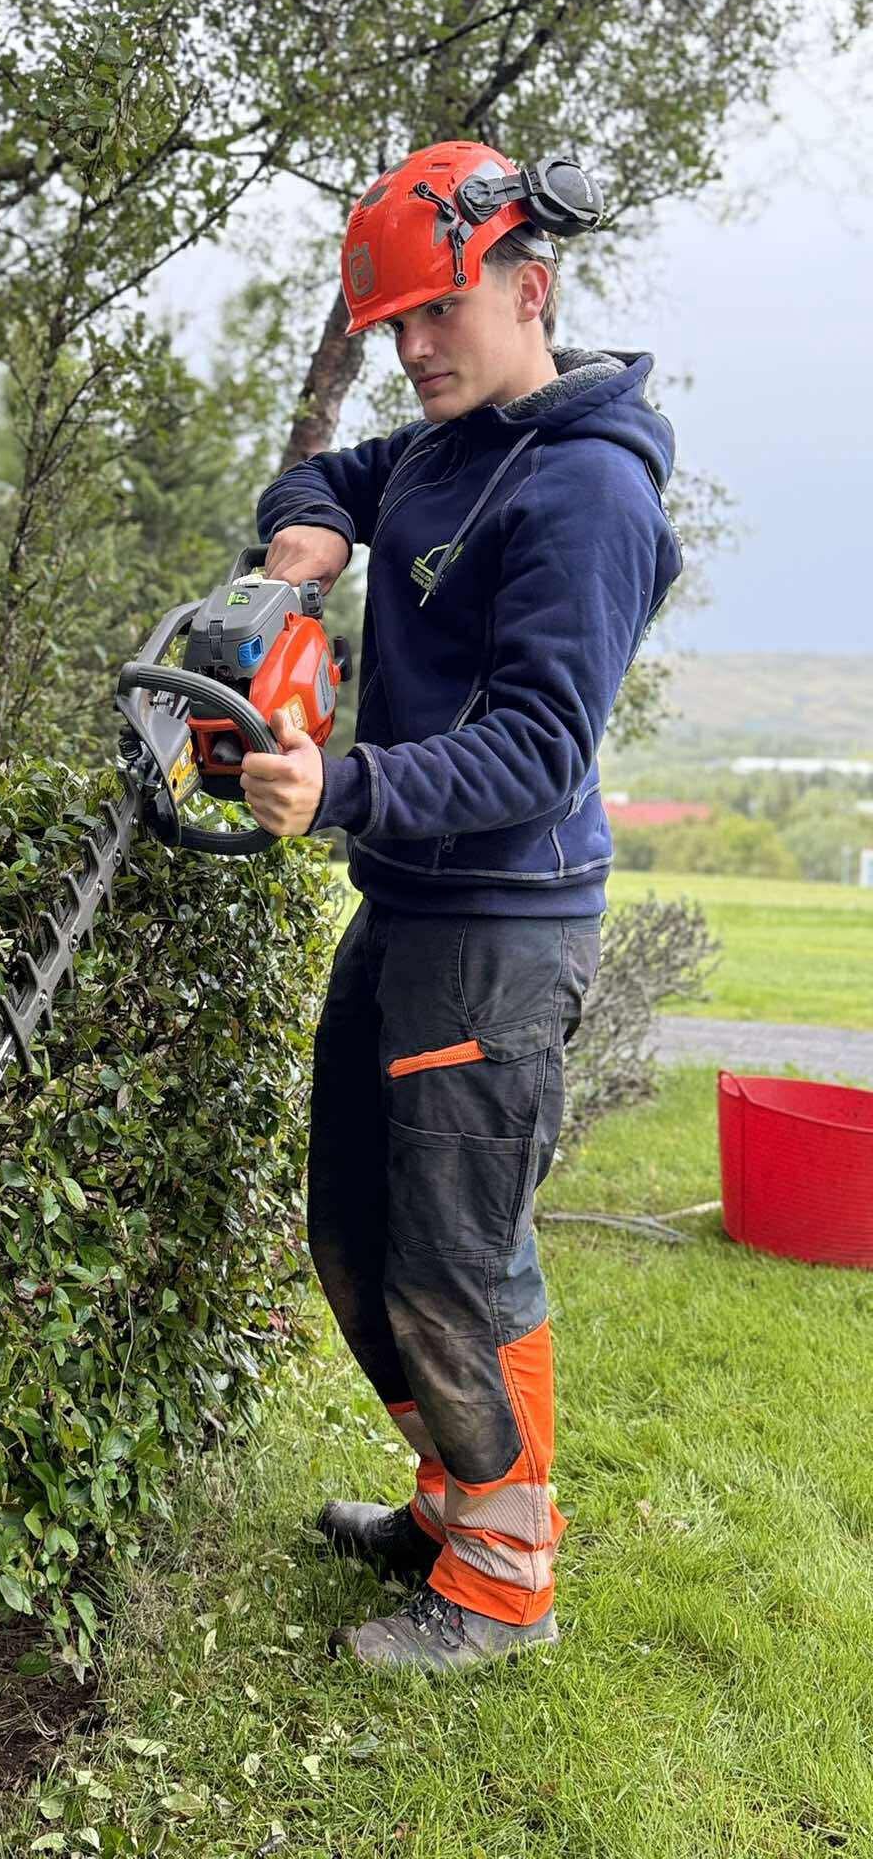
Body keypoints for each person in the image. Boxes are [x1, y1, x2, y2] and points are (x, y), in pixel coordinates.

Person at [239, 140, 683, 1672]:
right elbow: (327, 477)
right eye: (395, 324)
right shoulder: (442, 443)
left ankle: (505, 1580)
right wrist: (305, 533)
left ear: (528, 289)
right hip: (409, 907)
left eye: (441, 311)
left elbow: (540, 748)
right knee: (355, 1226)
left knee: (459, 1258)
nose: (415, 347)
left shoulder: (586, 490)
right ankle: (450, 1498)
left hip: (503, 931)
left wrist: (339, 787)